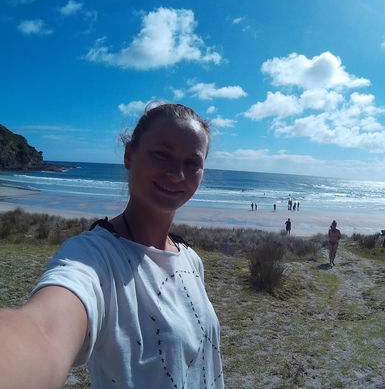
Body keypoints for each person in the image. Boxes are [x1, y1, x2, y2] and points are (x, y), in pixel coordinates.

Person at [0, 103, 224, 388]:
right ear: (129, 155)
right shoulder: (94, 256)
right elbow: (44, 331)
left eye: (192, 162)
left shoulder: (190, 259)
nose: (177, 174)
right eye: (161, 154)